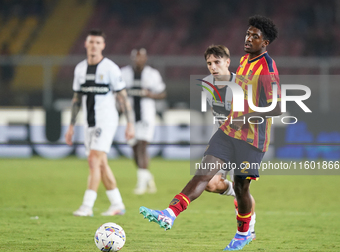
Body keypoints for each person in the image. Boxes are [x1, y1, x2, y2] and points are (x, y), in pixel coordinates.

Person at [140, 15, 280, 251]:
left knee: (241, 187)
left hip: (252, 138)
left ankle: (243, 233)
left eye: (255, 36)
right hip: (227, 131)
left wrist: (244, 118)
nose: (248, 39)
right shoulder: (245, 60)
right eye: (247, 33)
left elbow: (275, 107)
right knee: (203, 174)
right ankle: (170, 213)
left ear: (265, 42)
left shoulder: (267, 68)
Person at [65, 29, 134, 217]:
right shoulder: (80, 69)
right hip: (88, 122)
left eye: (98, 42)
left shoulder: (110, 68)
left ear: (103, 46)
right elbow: (77, 99)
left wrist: (130, 123)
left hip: (106, 120)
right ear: (86, 44)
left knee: (93, 159)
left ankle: (87, 206)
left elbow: (123, 97)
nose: (94, 45)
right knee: (101, 164)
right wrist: (71, 126)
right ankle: (117, 204)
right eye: (91, 42)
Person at [201, 44, 256, 240]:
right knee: (210, 184)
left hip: (244, 142)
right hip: (223, 140)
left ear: (227, 62)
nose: (213, 67)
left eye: (217, 62)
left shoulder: (242, 84)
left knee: (244, 189)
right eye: (209, 63)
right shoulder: (207, 85)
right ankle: (235, 192)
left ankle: (249, 228)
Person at [120, 48, 166, 195]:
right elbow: (116, 93)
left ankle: (141, 184)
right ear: (132, 58)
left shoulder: (152, 74)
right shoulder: (124, 73)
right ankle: (147, 176)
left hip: (146, 116)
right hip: (130, 117)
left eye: (141, 57)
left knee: (142, 146)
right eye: (136, 57)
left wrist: (149, 94)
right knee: (134, 148)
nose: (138, 60)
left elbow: (162, 93)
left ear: (145, 59)